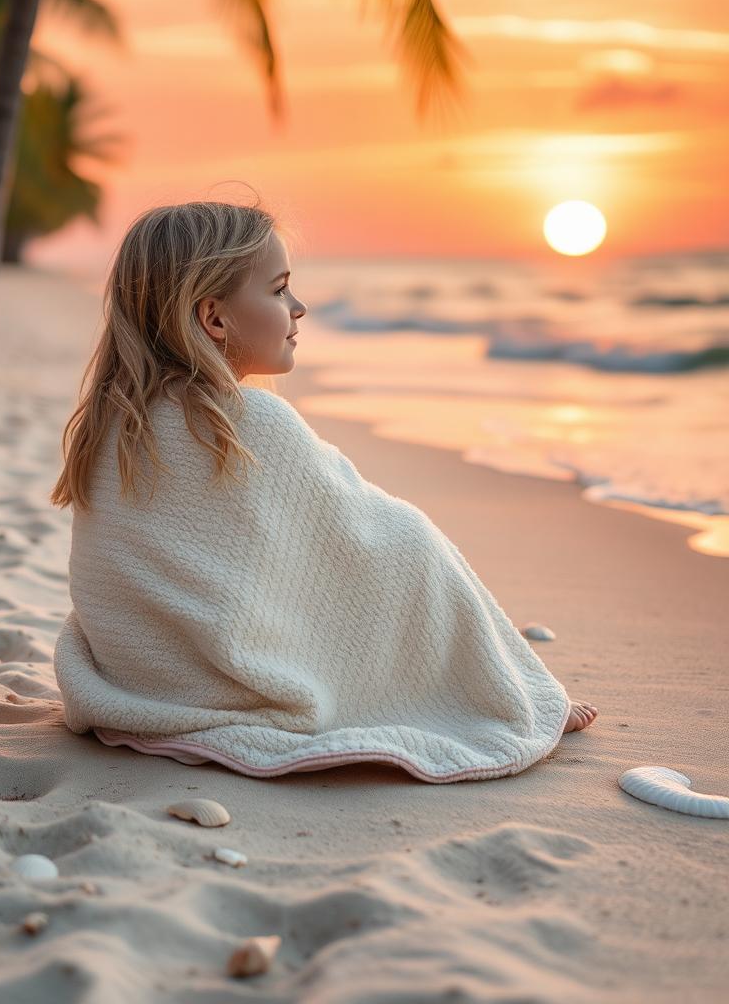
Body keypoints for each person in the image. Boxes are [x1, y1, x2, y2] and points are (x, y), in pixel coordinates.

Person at [50, 201, 596, 784]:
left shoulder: (112, 425)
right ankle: (497, 688)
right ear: (214, 318)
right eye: (280, 290)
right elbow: (357, 536)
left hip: (140, 676)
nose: (298, 307)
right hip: (215, 683)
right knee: (408, 539)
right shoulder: (247, 423)